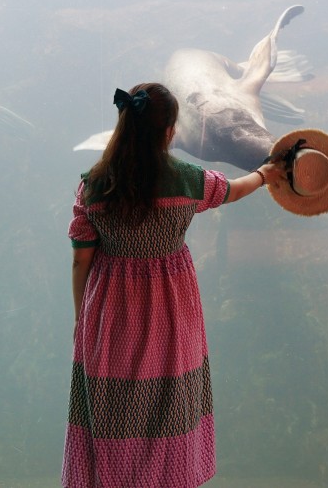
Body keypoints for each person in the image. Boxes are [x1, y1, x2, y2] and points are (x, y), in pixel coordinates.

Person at [61, 83, 286, 488]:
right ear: (169, 132)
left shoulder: (94, 184)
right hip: (170, 307)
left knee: (114, 401)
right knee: (169, 398)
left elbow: (81, 257)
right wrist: (264, 174)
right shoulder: (186, 179)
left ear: (124, 125)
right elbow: (231, 191)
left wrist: (83, 317)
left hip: (111, 309)